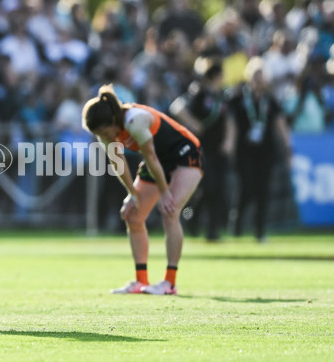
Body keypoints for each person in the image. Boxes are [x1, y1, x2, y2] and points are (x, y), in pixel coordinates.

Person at [82, 84, 203, 295]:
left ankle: (169, 282)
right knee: (133, 215)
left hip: (184, 154)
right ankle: (141, 281)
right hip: (157, 161)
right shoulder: (105, 133)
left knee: (170, 211)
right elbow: (118, 164)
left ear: (112, 121)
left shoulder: (133, 120)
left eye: (103, 131)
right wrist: (132, 194)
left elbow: (152, 157)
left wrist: (165, 194)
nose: (104, 137)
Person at [169, 58, 235, 241]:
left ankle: (208, 229)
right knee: (207, 188)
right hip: (201, 148)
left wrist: (229, 140)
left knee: (216, 189)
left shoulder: (223, 96)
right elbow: (177, 107)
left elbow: (229, 119)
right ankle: (191, 217)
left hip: (217, 148)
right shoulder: (199, 93)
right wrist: (193, 123)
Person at [228, 57, 292, 242]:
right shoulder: (238, 98)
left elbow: (281, 125)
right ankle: (237, 226)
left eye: (261, 75)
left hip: (265, 151)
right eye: (256, 75)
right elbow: (230, 124)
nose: (258, 79)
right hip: (244, 151)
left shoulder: (269, 100)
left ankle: (259, 231)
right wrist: (230, 145)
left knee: (263, 190)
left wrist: (288, 149)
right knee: (246, 188)